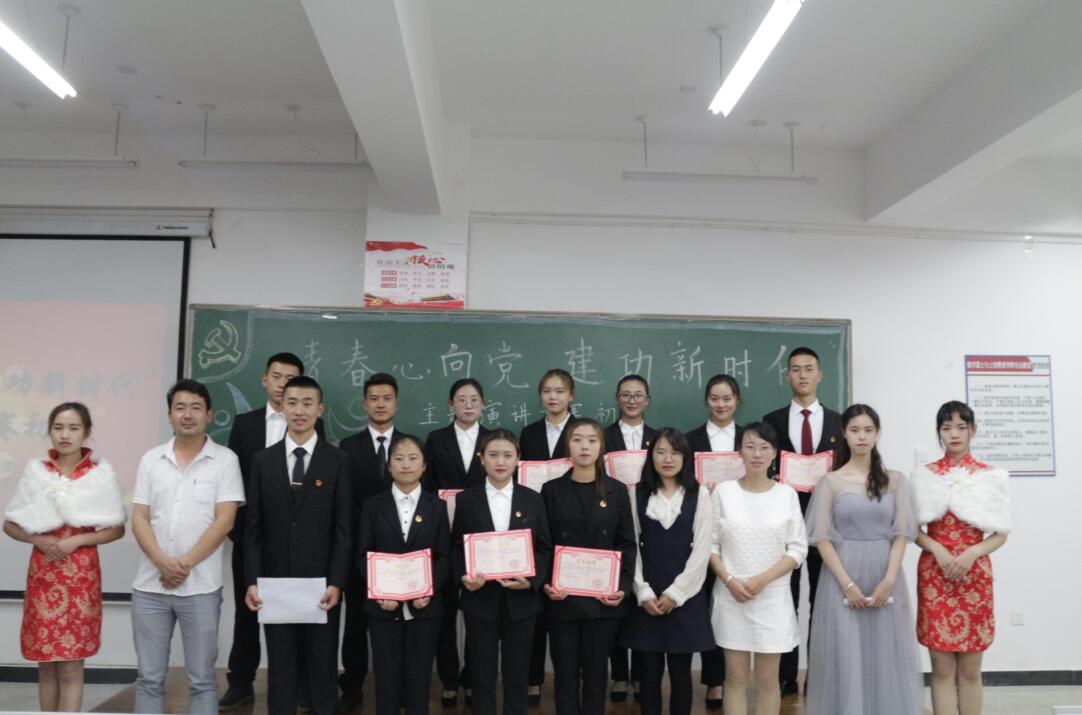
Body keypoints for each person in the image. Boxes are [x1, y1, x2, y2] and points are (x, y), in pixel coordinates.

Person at [130, 380, 245, 714]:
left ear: (209, 415)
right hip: (150, 587)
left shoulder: (225, 460)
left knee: (202, 680)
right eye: (180, 408)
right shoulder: (151, 460)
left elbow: (225, 521)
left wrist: (183, 565)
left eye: (196, 407)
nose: (188, 414)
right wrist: (161, 562)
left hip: (200, 588)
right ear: (170, 415)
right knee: (149, 679)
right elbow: (139, 517)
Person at [3, 402, 126, 713]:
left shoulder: (99, 474)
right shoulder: (36, 472)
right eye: (58, 428)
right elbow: (10, 524)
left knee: (71, 666)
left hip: (81, 577)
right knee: (46, 666)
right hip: (43, 574)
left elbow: (116, 529)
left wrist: (79, 540)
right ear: (49, 431)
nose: (65, 435)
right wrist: (37, 539)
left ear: (86, 432)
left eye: (73, 428)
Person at [221, 352, 324, 710]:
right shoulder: (245, 424)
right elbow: (232, 482)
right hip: (252, 537)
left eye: (290, 378)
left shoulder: (311, 422)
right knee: (248, 611)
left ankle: (299, 685)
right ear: (264, 380)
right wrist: (242, 535)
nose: (282, 384)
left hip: (298, 542)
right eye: (276, 377)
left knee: (299, 612)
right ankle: (241, 681)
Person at [244, 376, 354, 715]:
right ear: (282, 407)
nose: (299, 410)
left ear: (320, 409)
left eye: (308, 403)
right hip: (275, 586)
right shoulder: (262, 461)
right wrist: (252, 580)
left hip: (322, 587)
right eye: (292, 403)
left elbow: (344, 529)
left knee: (322, 669)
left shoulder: (338, 460)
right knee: (281, 671)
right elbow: (253, 529)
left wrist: (337, 582)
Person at [804, 404, 922, 714]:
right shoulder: (831, 481)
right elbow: (822, 538)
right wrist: (847, 584)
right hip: (841, 576)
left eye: (868, 430)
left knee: (886, 651)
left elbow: (901, 534)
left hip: (885, 573)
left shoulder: (895, 480)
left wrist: (890, 580)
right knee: (846, 652)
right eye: (855, 430)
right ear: (844, 433)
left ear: (877, 434)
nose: (862, 436)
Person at [911, 401, 1010, 715]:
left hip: (974, 577)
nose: (953, 434)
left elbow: (1001, 534)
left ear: (973, 431)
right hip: (935, 575)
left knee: (970, 668)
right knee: (941, 667)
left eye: (960, 427)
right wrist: (938, 549)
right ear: (938, 432)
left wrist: (972, 553)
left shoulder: (989, 476)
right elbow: (912, 530)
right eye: (946, 427)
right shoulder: (924, 475)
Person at [452, 429, 552, 715]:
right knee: (481, 672)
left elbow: (544, 547)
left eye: (508, 455)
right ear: (481, 458)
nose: (500, 461)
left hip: (521, 601)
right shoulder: (466, 500)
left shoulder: (533, 498)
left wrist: (530, 580)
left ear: (518, 459)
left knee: (517, 673)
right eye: (493, 455)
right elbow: (457, 546)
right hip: (480, 598)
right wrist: (464, 577)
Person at [709, 422, 807, 715]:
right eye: (750, 446)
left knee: (768, 680)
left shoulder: (786, 494)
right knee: (735, 678)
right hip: (732, 596)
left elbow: (797, 549)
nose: (757, 454)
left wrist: (763, 579)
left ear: (775, 453)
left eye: (764, 447)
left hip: (772, 598)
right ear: (739, 451)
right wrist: (729, 580)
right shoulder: (723, 492)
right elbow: (709, 546)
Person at [541, 418, 636, 715]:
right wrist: (546, 583)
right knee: (565, 676)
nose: (585, 446)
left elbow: (626, 543)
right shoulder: (550, 490)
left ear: (601, 447)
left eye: (592, 440)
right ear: (567, 446)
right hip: (562, 599)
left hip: (602, 600)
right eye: (577, 439)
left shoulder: (617, 491)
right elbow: (543, 543)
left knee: (596, 678)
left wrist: (622, 588)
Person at [761, 347, 841, 695]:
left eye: (809, 368)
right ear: (787, 376)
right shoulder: (771, 421)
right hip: (783, 521)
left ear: (820, 375)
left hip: (827, 522)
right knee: (785, 598)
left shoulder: (839, 422)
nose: (803, 375)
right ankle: (786, 676)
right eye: (796, 369)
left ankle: (818, 674)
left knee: (822, 600)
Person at [620, 428, 714, 715]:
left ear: (686, 457)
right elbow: (631, 545)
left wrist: (676, 593)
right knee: (648, 672)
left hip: (685, 596)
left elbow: (702, 550)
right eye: (660, 452)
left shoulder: (700, 494)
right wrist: (642, 591)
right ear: (651, 457)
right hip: (647, 596)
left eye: (675, 452)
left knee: (681, 672)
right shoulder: (637, 493)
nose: (667, 459)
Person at [357, 435, 450, 715]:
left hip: (425, 607)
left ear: (424, 465)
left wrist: (429, 590)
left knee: (419, 679)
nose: (406, 465)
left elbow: (444, 555)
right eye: (398, 458)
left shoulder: (437, 506)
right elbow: (362, 554)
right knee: (385, 679)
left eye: (413, 458)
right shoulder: (372, 505)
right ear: (389, 466)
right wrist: (379, 591)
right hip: (383, 607)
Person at [338, 371, 405, 712]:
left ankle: (397, 690)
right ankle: (352, 687)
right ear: (364, 404)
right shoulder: (347, 447)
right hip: (359, 552)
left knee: (399, 625)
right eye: (374, 398)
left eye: (387, 398)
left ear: (396, 403)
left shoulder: (410, 446)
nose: (380, 404)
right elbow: (343, 502)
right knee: (356, 624)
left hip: (402, 555)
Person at [424, 378, 490, 706]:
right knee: (445, 613)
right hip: (444, 536)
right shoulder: (436, 439)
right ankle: (449, 678)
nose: (468, 405)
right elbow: (427, 487)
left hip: (483, 538)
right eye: (461, 399)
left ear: (483, 404)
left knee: (479, 615)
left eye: (474, 399)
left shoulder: (494, 439)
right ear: (450, 405)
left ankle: (473, 679)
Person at [685, 373, 745, 709]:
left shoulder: (750, 438)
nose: (721, 404)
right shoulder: (689, 439)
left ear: (737, 401)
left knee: (732, 605)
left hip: (741, 530)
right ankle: (714, 680)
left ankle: (734, 678)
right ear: (706, 401)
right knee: (706, 603)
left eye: (727, 398)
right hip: (702, 528)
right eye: (714, 398)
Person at [518, 367, 576, 703]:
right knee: (535, 607)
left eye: (559, 391)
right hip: (536, 524)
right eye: (546, 391)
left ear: (571, 395)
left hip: (572, 524)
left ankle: (569, 681)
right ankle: (532, 679)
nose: (552, 397)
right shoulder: (528, 433)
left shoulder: (581, 432)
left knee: (566, 608)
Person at [603, 373, 657, 703]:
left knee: (642, 597)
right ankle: (619, 675)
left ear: (647, 400)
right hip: (612, 521)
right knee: (618, 597)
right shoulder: (603, 437)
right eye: (626, 394)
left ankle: (640, 675)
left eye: (638, 395)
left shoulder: (658, 438)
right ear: (617, 399)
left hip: (650, 521)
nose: (632, 400)